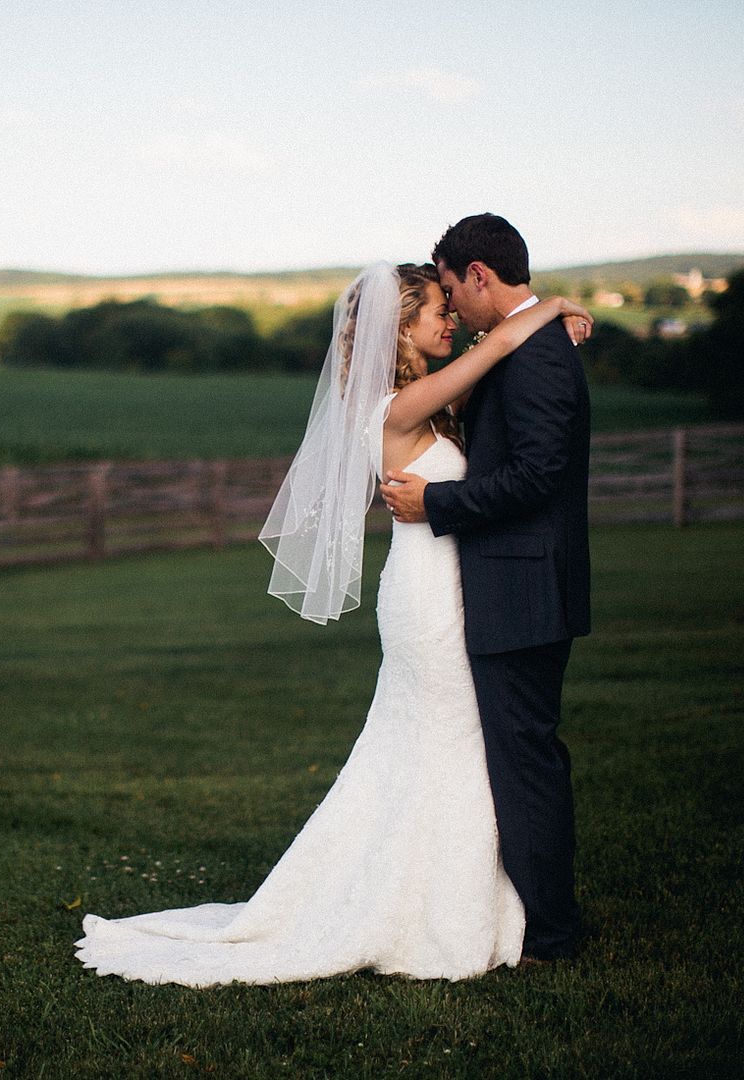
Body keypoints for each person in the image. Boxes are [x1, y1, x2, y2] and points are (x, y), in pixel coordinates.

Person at [74, 260, 592, 987]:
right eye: (437, 312)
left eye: (450, 308)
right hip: (429, 598)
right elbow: (498, 349)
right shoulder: (391, 409)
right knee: (447, 735)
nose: (450, 322)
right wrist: (555, 306)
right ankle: (428, 907)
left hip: (453, 586)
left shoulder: (422, 400)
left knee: (451, 742)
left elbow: (496, 372)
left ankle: (464, 895)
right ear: (399, 330)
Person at [379, 214, 592, 962]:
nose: (451, 309)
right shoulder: (521, 346)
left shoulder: (534, 355)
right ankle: (512, 911)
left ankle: (551, 934)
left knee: (523, 761)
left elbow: (537, 476)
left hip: (521, 592)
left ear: (477, 275)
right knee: (510, 756)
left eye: (449, 290)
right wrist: (552, 311)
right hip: (500, 589)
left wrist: (435, 503)